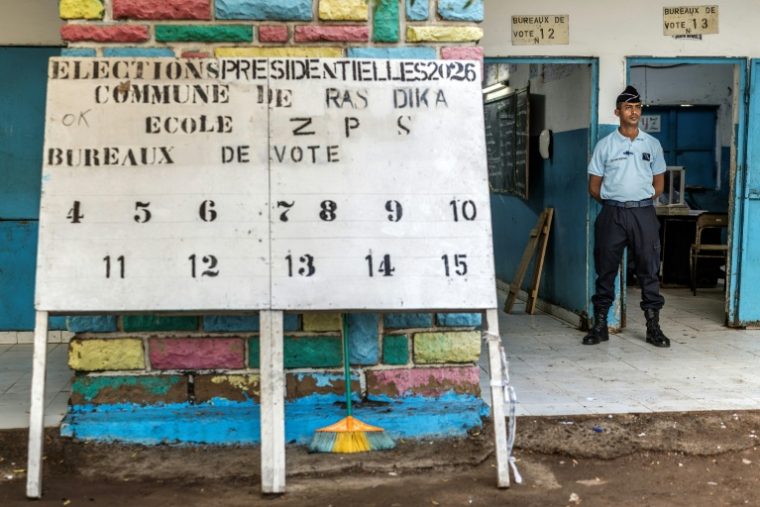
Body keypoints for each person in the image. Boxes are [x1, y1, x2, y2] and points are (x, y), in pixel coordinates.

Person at [584, 85, 670, 348]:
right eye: (628, 107)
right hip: (612, 214)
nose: (634, 112)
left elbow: (659, 185)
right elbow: (594, 188)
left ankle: (653, 328)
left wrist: (638, 202)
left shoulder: (652, 144)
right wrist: (615, 203)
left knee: (648, 269)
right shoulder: (605, 145)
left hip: (643, 213)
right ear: (617, 112)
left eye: (637, 107)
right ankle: (600, 326)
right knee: (606, 269)